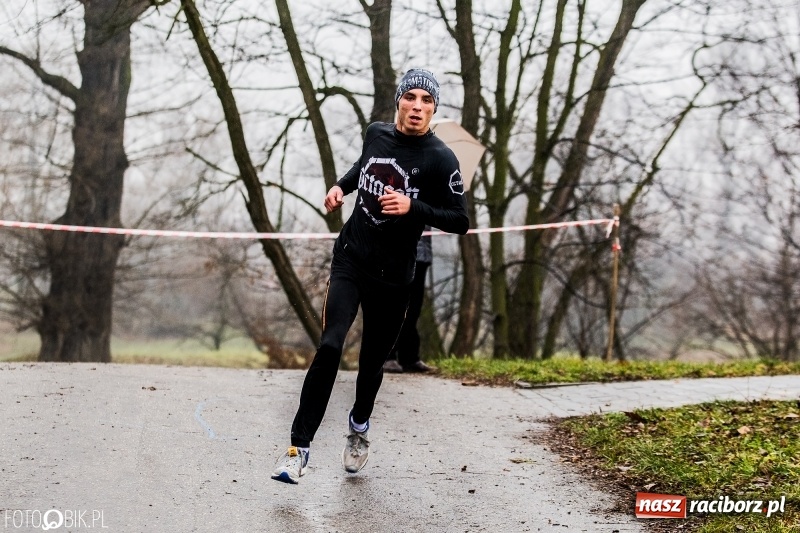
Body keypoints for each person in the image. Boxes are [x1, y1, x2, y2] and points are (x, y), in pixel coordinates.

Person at [271, 68, 469, 484]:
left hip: (395, 277)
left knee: (371, 365)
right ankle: (297, 450)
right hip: (351, 260)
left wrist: (414, 208)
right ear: (399, 100)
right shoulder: (375, 132)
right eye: (411, 97)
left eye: (427, 101)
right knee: (329, 346)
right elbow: (364, 167)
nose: (418, 107)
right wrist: (341, 188)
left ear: (434, 109)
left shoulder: (441, 159)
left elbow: (459, 220)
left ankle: (359, 428)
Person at [382, 231, 435, 373]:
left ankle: (409, 358)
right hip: (394, 253)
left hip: (421, 255)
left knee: (414, 308)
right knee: (393, 306)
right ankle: (387, 357)